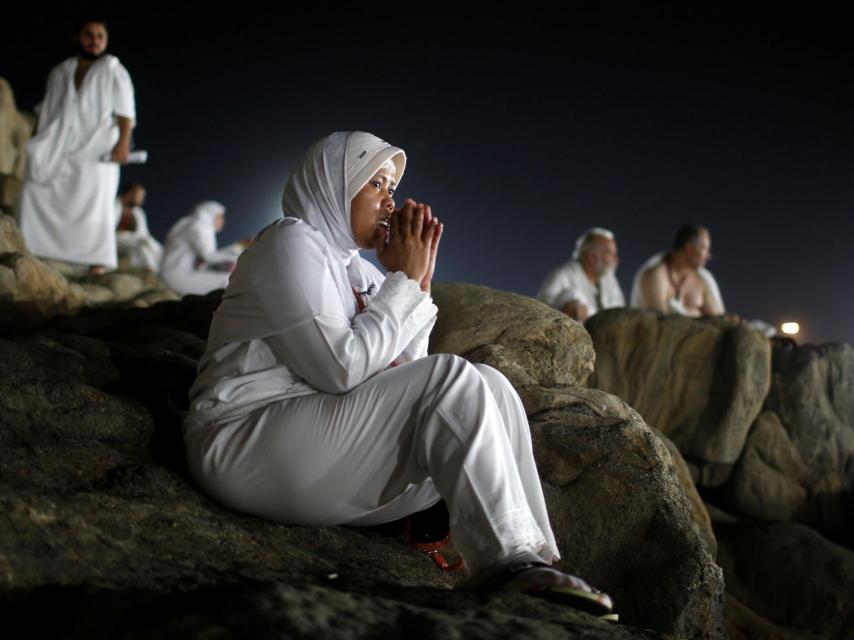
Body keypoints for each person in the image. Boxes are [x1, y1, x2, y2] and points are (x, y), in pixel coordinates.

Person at [182, 131, 614, 615]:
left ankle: (532, 558)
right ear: (333, 186)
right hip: (242, 438)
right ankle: (506, 563)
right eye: (377, 185)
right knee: (453, 378)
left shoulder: (361, 273)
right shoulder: (289, 242)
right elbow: (341, 369)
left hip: (312, 441)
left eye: (392, 187)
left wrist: (416, 283)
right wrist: (405, 283)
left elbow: (403, 373)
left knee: (491, 386)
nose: (391, 200)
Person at [18, 18, 136, 274]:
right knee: (35, 189)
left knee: (97, 201)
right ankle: (37, 247)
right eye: (89, 35)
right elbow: (48, 107)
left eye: (100, 36)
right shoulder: (61, 70)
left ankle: (97, 263)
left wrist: (123, 143)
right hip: (60, 143)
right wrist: (39, 137)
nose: (95, 41)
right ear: (77, 38)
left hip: (98, 146)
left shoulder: (112, 68)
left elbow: (126, 110)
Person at [631, 224, 724, 317]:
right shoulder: (655, 276)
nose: (708, 256)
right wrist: (696, 315)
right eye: (704, 249)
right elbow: (659, 326)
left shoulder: (702, 280)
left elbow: (719, 320)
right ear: (689, 248)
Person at [536, 227, 624, 321]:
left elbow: (620, 314)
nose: (616, 259)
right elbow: (539, 312)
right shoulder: (562, 276)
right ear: (592, 257)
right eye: (610, 253)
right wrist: (563, 311)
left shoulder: (609, 280)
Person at [160, 201, 236, 295]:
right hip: (176, 276)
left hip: (181, 274)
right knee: (230, 280)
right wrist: (239, 257)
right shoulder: (196, 227)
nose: (223, 221)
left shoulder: (192, 225)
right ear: (210, 215)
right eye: (220, 217)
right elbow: (208, 256)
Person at [115, 182, 162, 272]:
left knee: (148, 246)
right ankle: (150, 272)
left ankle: (157, 271)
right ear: (129, 194)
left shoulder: (138, 213)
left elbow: (144, 233)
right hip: (115, 238)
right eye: (139, 196)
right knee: (142, 246)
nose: (142, 200)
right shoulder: (113, 205)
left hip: (133, 241)